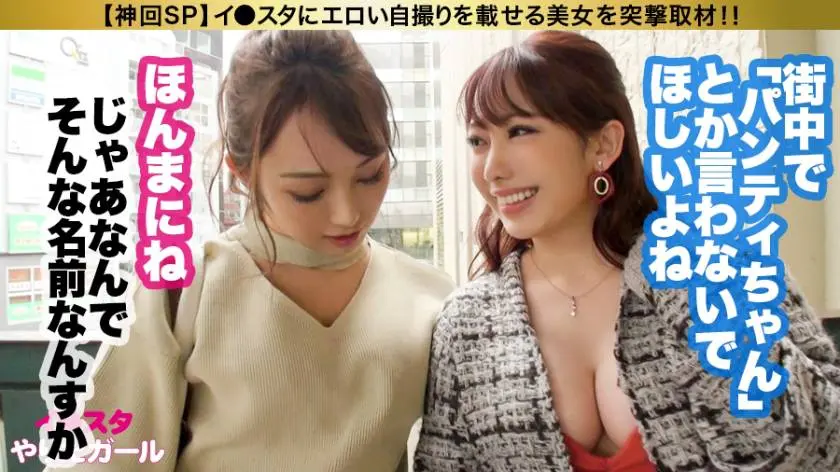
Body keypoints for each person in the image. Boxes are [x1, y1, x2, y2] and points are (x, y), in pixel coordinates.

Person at [414, 30, 840, 472]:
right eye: (478, 141)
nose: (492, 168)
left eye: (520, 131)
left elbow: (819, 444)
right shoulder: (465, 323)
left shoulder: (723, 264)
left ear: (603, 145)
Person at [43, 31, 455, 472]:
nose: (347, 214)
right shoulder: (183, 290)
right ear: (241, 172)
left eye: (370, 176)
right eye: (308, 192)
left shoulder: (431, 299)